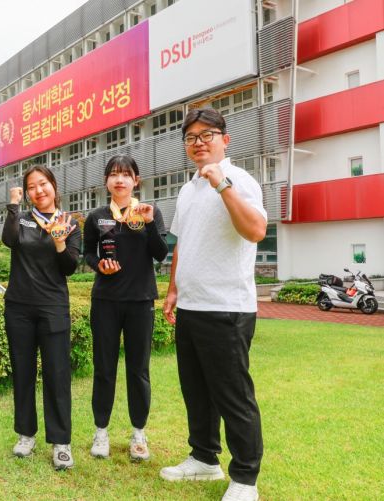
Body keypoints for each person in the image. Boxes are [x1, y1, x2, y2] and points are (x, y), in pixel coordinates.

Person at [161, 108, 267, 501]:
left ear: (226, 139)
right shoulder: (188, 190)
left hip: (227, 307)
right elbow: (181, 245)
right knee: (197, 391)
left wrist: (222, 184)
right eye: (191, 137)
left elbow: (255, 230)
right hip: (191, 306)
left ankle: (245, 479)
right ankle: (204, 458)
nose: (199, 142)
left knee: (232, 394)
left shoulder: (240, 180)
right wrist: (173, 290)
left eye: (208, 134)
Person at [83, 155, 168, 461]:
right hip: (105, 301)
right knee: (104, 369)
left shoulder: (148, 212)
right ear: (106, 181)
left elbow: (161, 254)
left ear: (136, 180)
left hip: (140, 301)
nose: (119, 180)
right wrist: (99, 265)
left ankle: (138, 434)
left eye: (125, 175)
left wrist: (148, 224)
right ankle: (101, 432)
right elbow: (86, 254)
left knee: (138, 371)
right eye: (114, 174)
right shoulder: (96, 216)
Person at [2, 165, 81, 470]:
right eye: (32, 187)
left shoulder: (69, 222)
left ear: (53, 186)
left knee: (57, 375)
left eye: (43, 184)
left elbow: (69, 268)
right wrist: (13, 204)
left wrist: (60, 240)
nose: (38, 191)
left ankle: (61, 442)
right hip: (19, 308)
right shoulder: (21, 218)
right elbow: (8, 240)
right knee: (22, 373)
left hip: (53, 308)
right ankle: (25, 434)